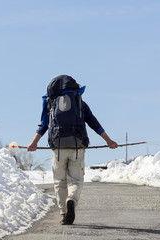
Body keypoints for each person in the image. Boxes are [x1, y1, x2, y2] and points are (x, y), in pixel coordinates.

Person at [27, 75, 118, 225]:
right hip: (77, 146)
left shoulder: (51, 103)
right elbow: (94, 123)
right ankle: (71, 200)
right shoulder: (80, 103)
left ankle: (63, 213)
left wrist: (33, 143)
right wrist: (108, 140)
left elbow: (43, 125)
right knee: (75, 180)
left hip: (58, 148)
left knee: (59, 182)